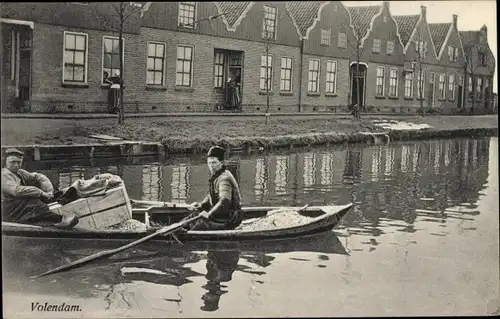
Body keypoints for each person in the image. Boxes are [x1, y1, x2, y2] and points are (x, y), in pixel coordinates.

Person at [1, 148, 79, 229]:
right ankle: (58, 220)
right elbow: (17, 191)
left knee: (44, 197)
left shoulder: (19, 172)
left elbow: (39, 177)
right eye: (12, 162)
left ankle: (57, 206)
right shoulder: (3, 174)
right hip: (8, 210)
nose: (16, 165)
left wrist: (49, 191)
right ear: (5, 162)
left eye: (19, 162)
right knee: (34, 202)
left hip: (16, 205)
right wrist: (41, 192)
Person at [186, 146, 243, 231]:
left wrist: (209, 214)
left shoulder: (224, 178)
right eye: (209, 163)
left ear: (222, 162)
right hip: (222, 216)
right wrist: (202, 204)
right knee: (192, 217)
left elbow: (225, 201)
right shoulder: (217, 174)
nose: (211, 166)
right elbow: (213, 194)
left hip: (229, 220)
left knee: (200, 224)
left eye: (214, 163)